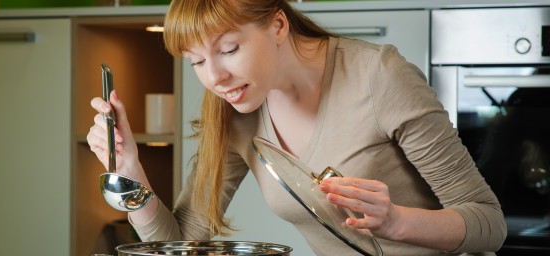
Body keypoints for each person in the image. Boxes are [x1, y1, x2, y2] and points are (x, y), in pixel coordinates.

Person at [86, 0, 507, 255]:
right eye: (196, 62)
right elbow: (180, 242)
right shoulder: (236, 113)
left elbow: (489, 223)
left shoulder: (379, 75)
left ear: (278, 26)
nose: (213, 77)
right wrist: (129, 172)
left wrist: (397, 222)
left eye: (228, 49)